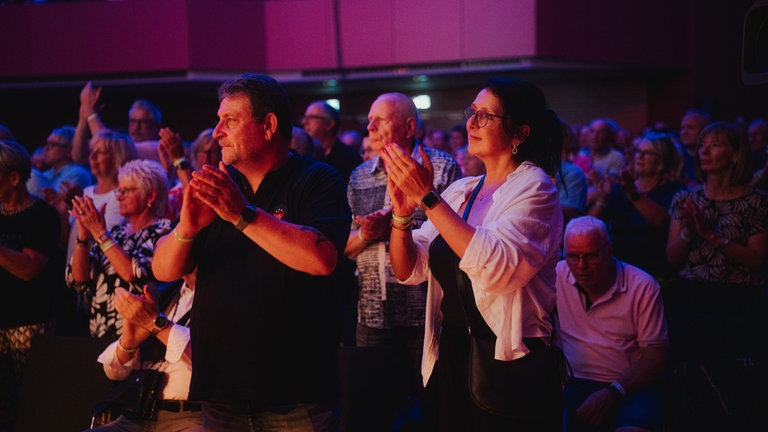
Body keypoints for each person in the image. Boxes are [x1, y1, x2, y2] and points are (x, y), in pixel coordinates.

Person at [151, 73, 351, 431]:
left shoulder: (317, 179)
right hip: (221, 393)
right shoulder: (220, 184)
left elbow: (321, 259)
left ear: (269, 124)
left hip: (294, 393)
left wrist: (242, 214)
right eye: (218, 121)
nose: (217, 132)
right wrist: (186, 230)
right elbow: (163, 270)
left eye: (230, 120)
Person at [381, 77, 564, 431]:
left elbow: (497, 269)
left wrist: (428, 198)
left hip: (507, 358)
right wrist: (402, 215)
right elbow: (409, 270)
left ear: (520, 133)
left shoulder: (535, 187)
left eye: (485, 116)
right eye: (472, 112)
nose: (471, 123)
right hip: (452, 349)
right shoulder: (463, 190)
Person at [344, 92, 461, 427]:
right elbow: (343, 249)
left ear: (409, 126)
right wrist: (368, 233)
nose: (369, 126)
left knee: (434, 410)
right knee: (372, 413)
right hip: (373, 312)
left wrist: (401, 223)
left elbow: (451, 237)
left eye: (379, 119)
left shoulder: (440, 168)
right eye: (369, 119)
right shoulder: (360, 176)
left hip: (423, 310)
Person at [665, 122, 768, 429]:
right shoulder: (686, 198)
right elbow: (671, 258)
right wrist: (688, 230)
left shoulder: (757, 201)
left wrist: (712, 235)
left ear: (736, 155)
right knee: (692, 385)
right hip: (692, 299)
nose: (705, 150)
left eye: (716, 144)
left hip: (737, 303)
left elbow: (757, 260)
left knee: (736, 390)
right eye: (703, 144)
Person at [557, 216, 668, 432]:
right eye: (573, 256)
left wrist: (613, 392)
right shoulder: (556, 275)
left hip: (630, 384)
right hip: (573, 381)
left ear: (609, 250)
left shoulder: (642, 286)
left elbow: (656, 358)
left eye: (591, 256)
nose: (581, 266)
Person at [66, 159, 172, 339]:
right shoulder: (116, 233)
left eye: (126, 191)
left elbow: (134, 273)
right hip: (99, 334)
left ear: (150, 197)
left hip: (137, 338)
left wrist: (99, 232)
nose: (118, 196)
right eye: (118, 190)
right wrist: (84, 237)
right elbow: (79, 278)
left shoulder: (164, 232)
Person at [87, 272, 200, 431]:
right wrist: (129, 341)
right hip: (138, 414)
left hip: (191, 418)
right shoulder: (164, 292)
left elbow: (206, 360)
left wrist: (155, 323)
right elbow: (114, 372)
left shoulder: (226, 296)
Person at [0, 140, 61, 432]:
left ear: (14, 178)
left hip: (29, 322)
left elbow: (29, 269)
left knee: (30, 398)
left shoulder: (42, 216)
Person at [589, 132, 684, 279]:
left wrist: (632, 193)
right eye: (638, 151)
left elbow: (660, 221)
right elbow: (590, 225)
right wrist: (601, 199)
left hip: (654, 273)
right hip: (619, 271)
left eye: (647, 153)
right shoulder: (622, 187)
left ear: (662, 159)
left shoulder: (674, 190)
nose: (639, 156)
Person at [74, 81, 164, 164]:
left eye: (143, 122)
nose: (136, 127)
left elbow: (111, 146)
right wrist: (83, 118)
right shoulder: (125, 142)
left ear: (157, 126)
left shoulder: (158, 148)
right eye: (133, 121)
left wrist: (91, 112)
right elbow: (79, 156)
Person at [301, 100, 362, 180]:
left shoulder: (349, 158)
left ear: (329, 124)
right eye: (305, 117)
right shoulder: (304, 156)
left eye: (311, 117)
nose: (304, 122)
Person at [677, 109, 711, 186]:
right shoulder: (676, 158)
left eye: (690, 127)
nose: (684, 132)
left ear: (705, 130)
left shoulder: (712, 159)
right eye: (682, 128)